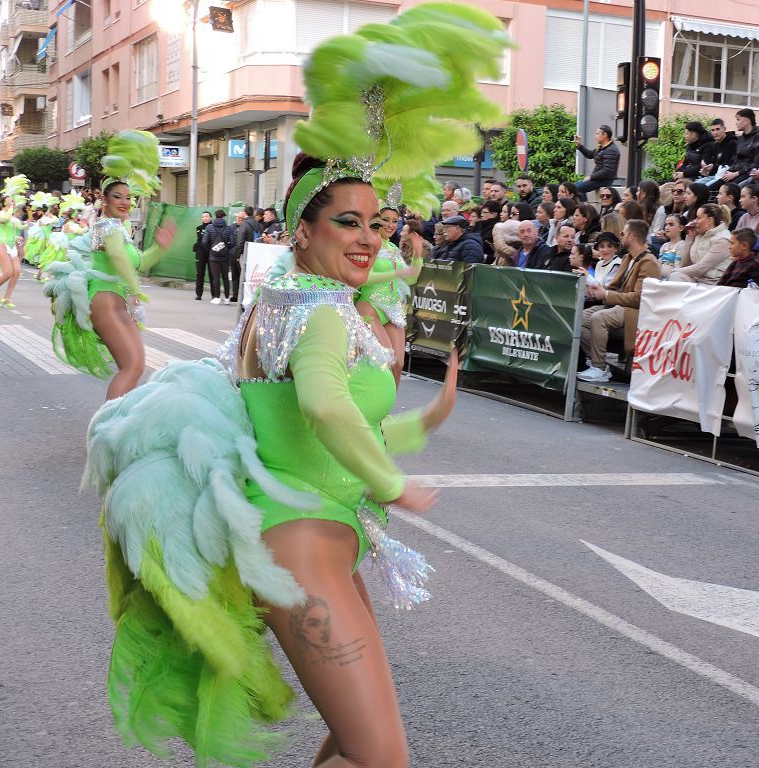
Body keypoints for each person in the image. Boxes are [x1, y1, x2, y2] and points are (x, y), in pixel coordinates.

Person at [81, 7, 506, 767]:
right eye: (349, 221)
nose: (371, 237)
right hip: (301, 546)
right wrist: (392, 482)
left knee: (353, 743)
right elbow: (321, 404)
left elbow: (295, 417)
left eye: (380, 222)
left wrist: (418, 425)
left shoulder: (288, 296)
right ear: (302, 231)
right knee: (382, 757)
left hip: (312, 537)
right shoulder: (321, 316)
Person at [45, 130, 177, 400]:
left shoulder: (121, 230)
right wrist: (135, 289)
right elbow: (117, 258)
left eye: (129, 197)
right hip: (105, 299)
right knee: (130, 367)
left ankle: (114, 423)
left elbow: (137, 261)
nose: (126, 202)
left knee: (136, 366)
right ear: (104, 200)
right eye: (118, 197)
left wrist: (159, 248)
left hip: (119, 301)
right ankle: (106, 428)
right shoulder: (106, 227)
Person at [577, 219, 660, 382]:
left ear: (632, 236)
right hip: (619, 305)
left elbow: (639, 298)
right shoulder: (629, 258)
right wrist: (598, 290)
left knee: (598, 318)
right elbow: (615, 288)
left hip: (634, 311)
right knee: (581, 317)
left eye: (623, 233)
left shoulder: (648, 262)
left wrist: (606, 295)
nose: (620, 236)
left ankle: (599, 367)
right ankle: (598, 363)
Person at [355, 205, 424, 385]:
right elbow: (361, 278)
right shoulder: (368, 244)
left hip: (392, 310)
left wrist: (418, 254)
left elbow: (411, 279)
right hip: (370, 307)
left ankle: (387, 411)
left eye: (395, 221)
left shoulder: (393, 247)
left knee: (398, 364)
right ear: (376, 220)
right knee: (385, 361)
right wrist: (396, 274)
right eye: (386, 220)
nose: (391, 225)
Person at [0, 175, 30, 308]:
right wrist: (11, 207)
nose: (13, 201)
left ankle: (6, 298)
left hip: (12, 246)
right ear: (5, 202)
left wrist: (19, 236)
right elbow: (4, 219)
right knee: (7, 272)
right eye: (10, 199)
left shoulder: (13, 216)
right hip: (0, 244)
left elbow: (20, 227)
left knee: (16, 272)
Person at [667, 203, 732, 285]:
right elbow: (685, 264)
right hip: (698, 280)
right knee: (676, 276)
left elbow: (701, 268)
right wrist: (690, 238)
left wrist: (675, 270)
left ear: (709, 220)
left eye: (698, 218)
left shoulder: (723, 240)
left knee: (675, 275)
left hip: (713, 284)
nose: (695, 221)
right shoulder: (699, 235)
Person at [713, 108, 759, 188]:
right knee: (710, 188)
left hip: (747, 174)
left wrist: (736, 173)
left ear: (747, 121)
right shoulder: (740, 139)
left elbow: (757, 164)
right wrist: (728, 171)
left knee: (727, 190)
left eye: (738, 120)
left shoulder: (758, 139)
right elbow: (736, 160)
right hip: (734, 172)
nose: (736, 123)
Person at [574, 125, 620, 196]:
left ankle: (581, 206)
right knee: (571, 187)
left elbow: (607, 171)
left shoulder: (611, 150)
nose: (595, 136)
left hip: (604, 180)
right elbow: (590, 155)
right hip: (597, 179)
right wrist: (579, 145)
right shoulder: (601, 147)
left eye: (597, 134)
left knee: (574, 189)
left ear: (605, 135)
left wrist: (591, 177)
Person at [203, 209, 236, 304]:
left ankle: (217, 298)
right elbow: (233, 242)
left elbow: (205, 242)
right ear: (224, 216)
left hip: (213, 257)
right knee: (225, 278)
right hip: (225, 257)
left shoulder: (209, 227)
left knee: (216, 278)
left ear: (215, 216)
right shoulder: (228, 228)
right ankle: (226, 298)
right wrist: (225, 248)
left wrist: (211, 250)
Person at [700, 119, 738, 186]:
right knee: (695, 185)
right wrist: (709, 169)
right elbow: (717, 166)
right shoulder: (715, 145)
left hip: (726, 178)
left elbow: (733, 164)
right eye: (712, 130)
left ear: (724, 129)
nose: (715, 132)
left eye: (718, 129)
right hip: (716, 176)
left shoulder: (733, 143)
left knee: (704, 188)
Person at [232, 209, 256, 302]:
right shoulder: (257, 223)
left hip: (244, 253)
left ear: (244, 216)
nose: (237, 219)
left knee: (243, 276)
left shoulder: (244, 225)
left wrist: (237, 255)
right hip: (254, 253)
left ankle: (242, 297)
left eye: (239, 218)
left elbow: (240, 241)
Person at [657, 213, 686, 278]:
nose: (666, 227)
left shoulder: (681, 245)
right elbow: (659, 263)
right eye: (666, 224)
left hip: (673, 280)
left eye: (671, 224)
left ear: (681, 228)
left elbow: (678, 266)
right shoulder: (664, 246)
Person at [193, 210, 212, 300]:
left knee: (212, 274)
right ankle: (199, 294)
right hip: (200, 253)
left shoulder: (213, 227)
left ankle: (214, 295)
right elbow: (200, 239)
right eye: (203, 216)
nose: (205, 218)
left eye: (207, 216)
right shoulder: (198, 228)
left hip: (211, 253)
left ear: (210, 217)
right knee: (199, 274)